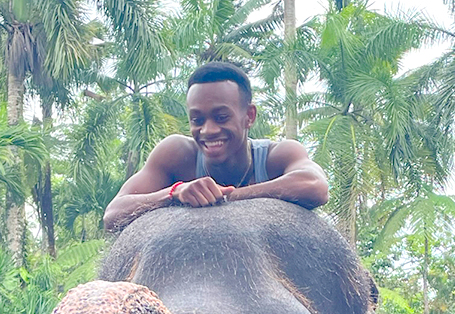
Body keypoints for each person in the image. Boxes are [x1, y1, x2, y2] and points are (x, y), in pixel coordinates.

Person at [101, 61, 329, 232]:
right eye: (197, 120)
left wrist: (228, 197)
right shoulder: (176, 154)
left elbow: (315, 185)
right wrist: (176, 193)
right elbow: (113, 214)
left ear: (249, 116)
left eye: (221, 117)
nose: (208, 130)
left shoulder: (277, 155)